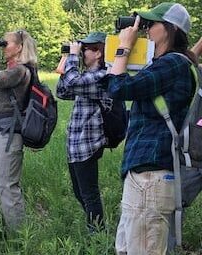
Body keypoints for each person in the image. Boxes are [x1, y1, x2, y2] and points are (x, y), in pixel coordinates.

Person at [106, 3, 197, 254]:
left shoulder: (173, 64)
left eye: (151, 24)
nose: (145, 29)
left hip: (152, 175)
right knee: (127, 248)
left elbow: (118, 88)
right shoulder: (168, 65)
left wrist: (123, 46)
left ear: (169, 29)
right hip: (145, 174)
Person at [0, 30, 37, 231]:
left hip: (9, 133)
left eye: (7, 43)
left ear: (19, 47)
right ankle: (10, 229)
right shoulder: (13, 69)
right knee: (3, 185)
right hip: (1, 130)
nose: (3, 46)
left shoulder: (20, 71)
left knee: (7, 186)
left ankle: (19, 237)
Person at [56, 32, 110, 234]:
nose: (82, 52)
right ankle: (95, 228)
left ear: (98, 53)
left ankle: (97, 235)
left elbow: (73, 83)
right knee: (80, 193)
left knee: (89, 194)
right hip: (75, 144)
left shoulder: (103, 76)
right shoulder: (86, 76)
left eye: (85, 49)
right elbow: (62, 91)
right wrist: (67, 59)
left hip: (88, 143)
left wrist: (72, 56)